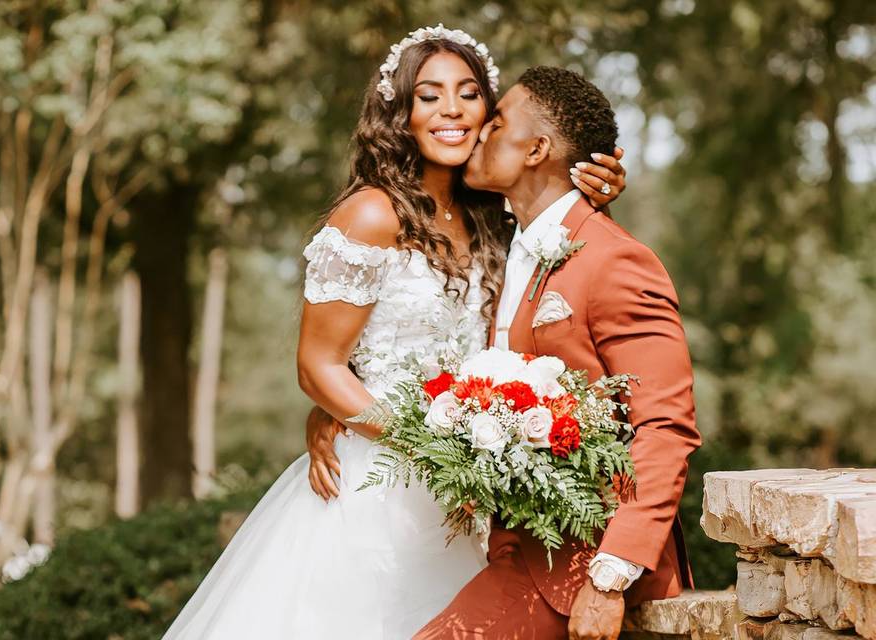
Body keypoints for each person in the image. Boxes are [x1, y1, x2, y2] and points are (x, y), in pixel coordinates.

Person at [162, 26, 625, 640]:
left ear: (489, 111)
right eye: (429, 96)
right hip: (376, 492)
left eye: (468, 93)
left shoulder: (496, 221)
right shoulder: (370, 215)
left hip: (470, 493)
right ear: (400, 114)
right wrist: (433, 445)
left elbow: (564, 276)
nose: (451, 110)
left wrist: (600, 189)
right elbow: (319, 367)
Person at [411, 67, 701, 640]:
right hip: (510, 549)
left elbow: (665, 427)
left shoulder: (615, 260)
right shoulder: (503, 245)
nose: (477, 131)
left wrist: (610, 576)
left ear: (536, 148)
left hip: (581, 566)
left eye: (495, 123)